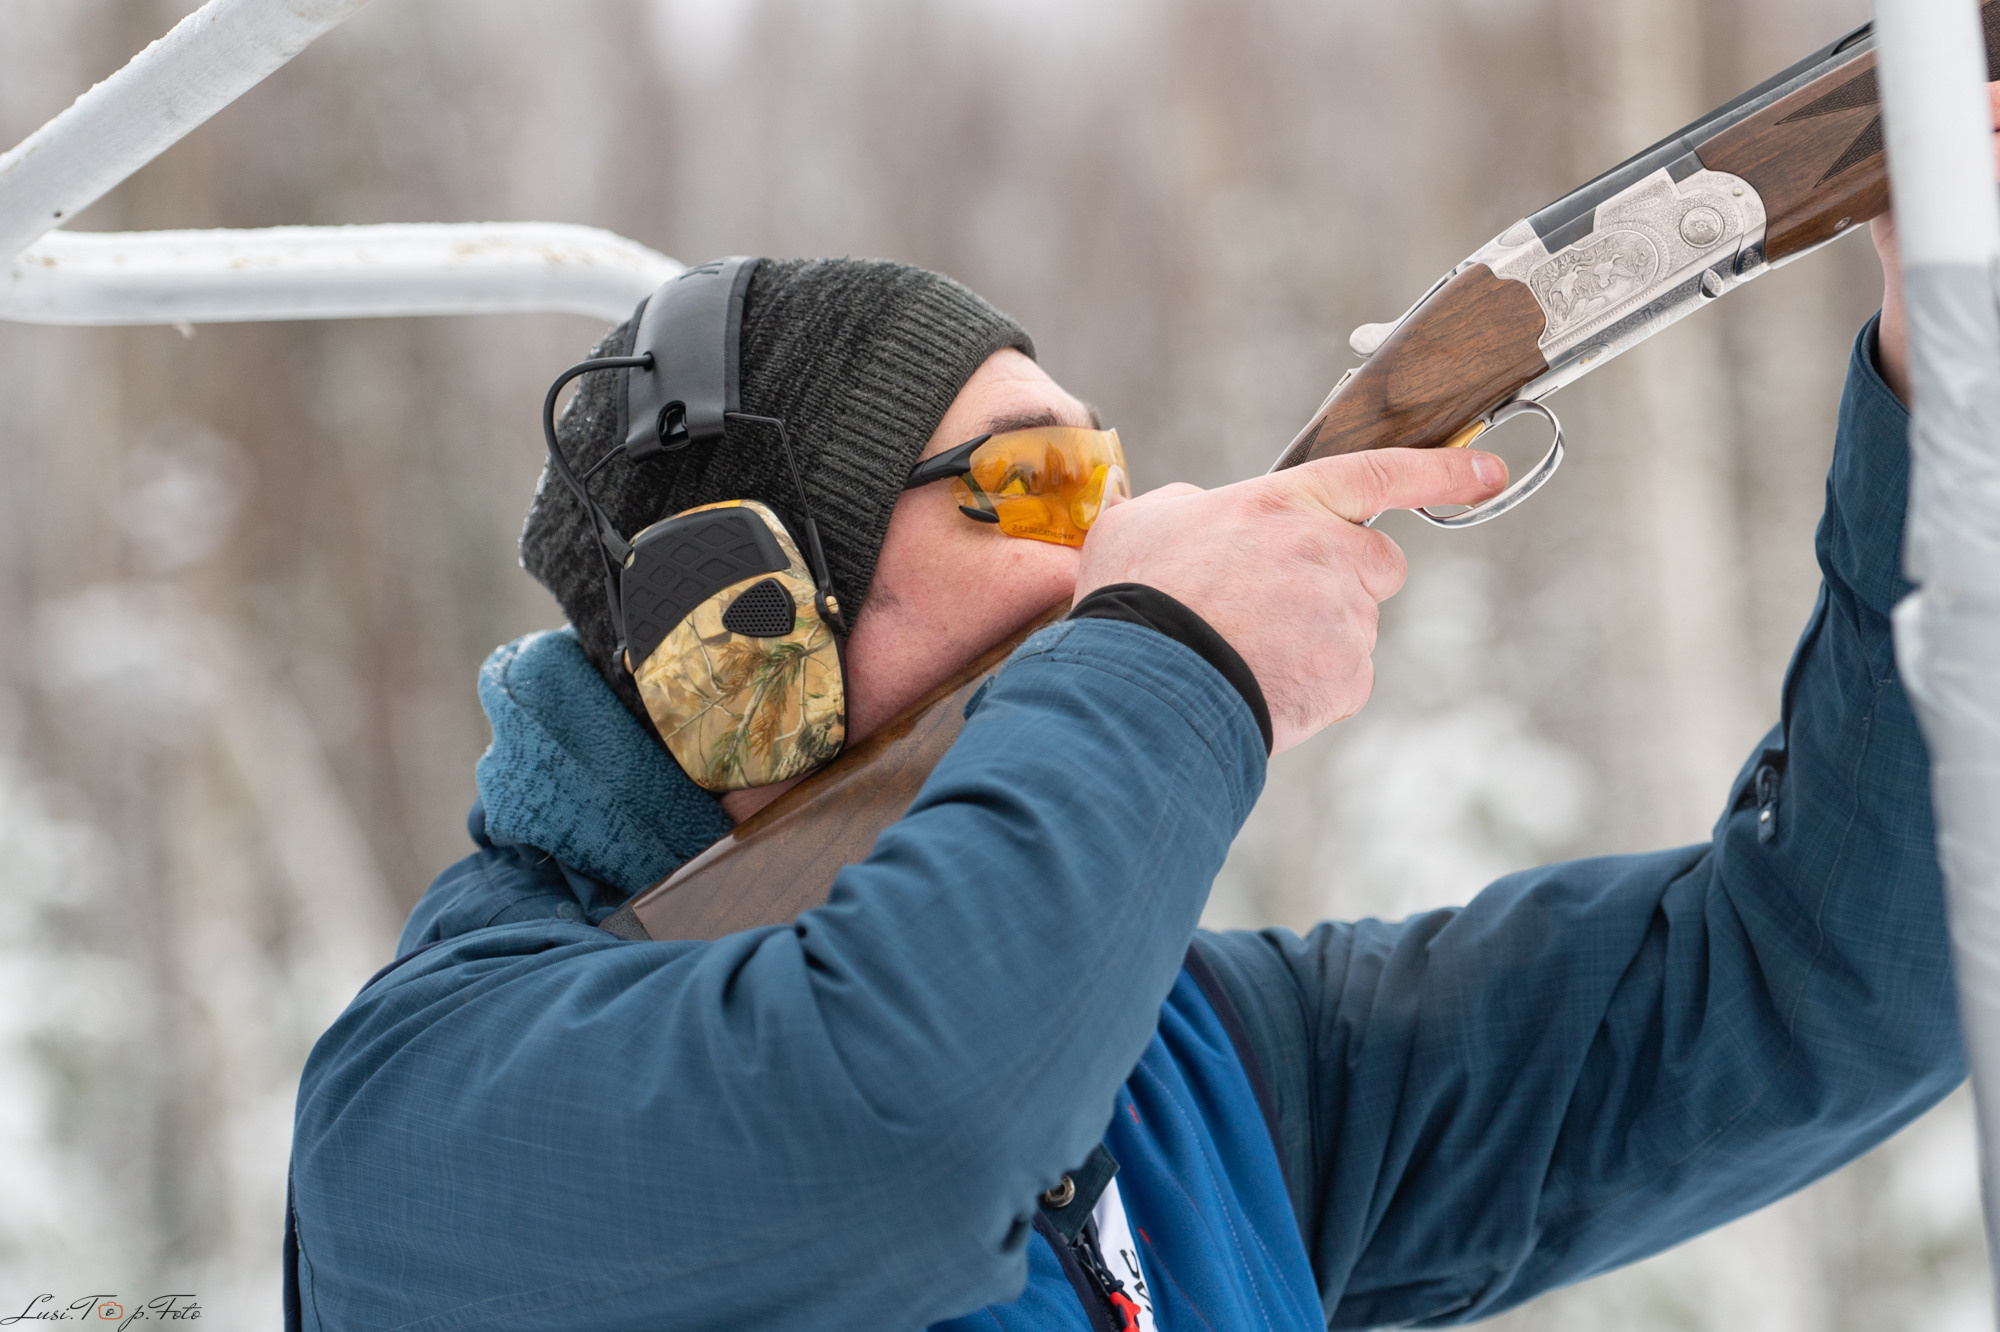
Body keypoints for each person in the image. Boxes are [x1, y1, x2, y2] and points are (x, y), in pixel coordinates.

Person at [287, 205, 1960, 1327]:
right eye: (1033, 485)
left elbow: (1840, 981)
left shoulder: (1183, 1059)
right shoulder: (427, 1123)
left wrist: (1948, 378)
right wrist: (1174, 653)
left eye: (1105, 483)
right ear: (745, 629)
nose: (1114, 539)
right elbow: (913, 1125)